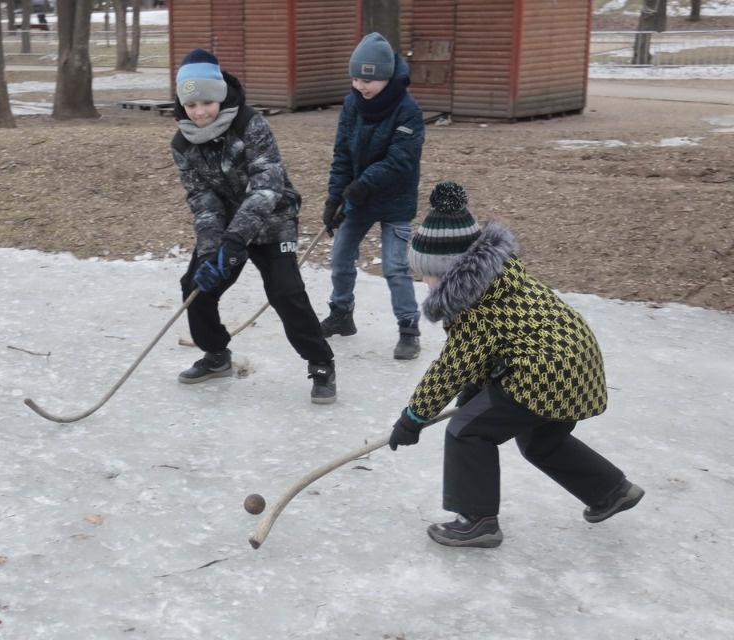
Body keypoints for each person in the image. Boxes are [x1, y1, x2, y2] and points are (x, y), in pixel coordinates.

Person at [388, 181, 645, 548]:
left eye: (426, 274)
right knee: (542, 440)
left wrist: (413, 418)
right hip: (575, 361)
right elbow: (489, 350)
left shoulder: (476, 305)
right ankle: (610, 490)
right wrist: (475, 392)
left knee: (467, 432)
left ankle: (477, 521)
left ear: (448, 271)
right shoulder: (499, 280)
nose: (423, 282)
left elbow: (453, 366)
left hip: (543, 372)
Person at [170, 49, 338, 404]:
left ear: (219, 95)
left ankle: (321, 363)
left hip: (273, 218)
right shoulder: (182, 143)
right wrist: (210, 250)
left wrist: (237, 236)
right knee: (196, 286)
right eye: (191, 105)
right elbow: (202, 200)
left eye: (206, 102)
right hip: (226, 227)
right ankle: (216, 355)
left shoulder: (250, 124)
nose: (200, 112)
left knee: (284, 292)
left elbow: (267, 184)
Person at [320, 32, 426, 360]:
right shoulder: (352, 104)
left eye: (368, 80)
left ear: (386, 77)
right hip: (358, 199)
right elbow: (342, 154)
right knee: (339, 257)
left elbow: (401, 160)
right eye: (355, 78)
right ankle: (342, 314)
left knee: (395, 267)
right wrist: (334, 198)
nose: (360, 86)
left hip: (394, 201)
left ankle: (408, 328)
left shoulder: (408, 110)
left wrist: (363, 185)